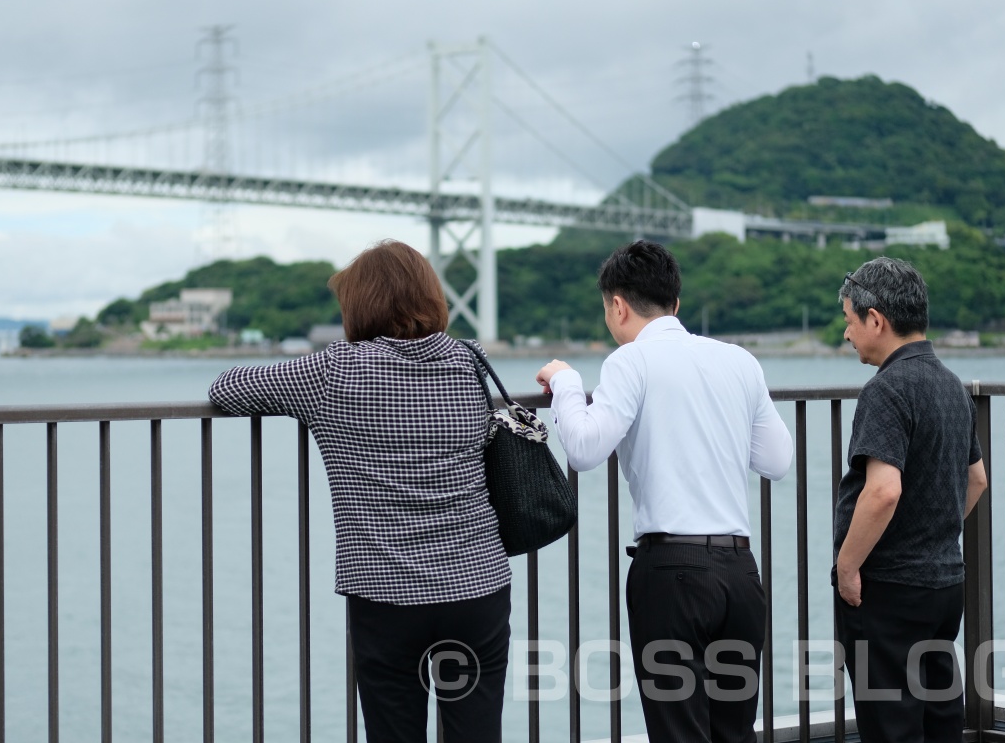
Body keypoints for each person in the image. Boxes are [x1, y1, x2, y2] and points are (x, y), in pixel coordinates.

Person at [207, 240, 511, 743]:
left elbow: (226, 387)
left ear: (359, 306)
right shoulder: (469, 362)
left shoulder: (331, 371)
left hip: (385, 593)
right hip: (475, 586)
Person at [535, 240, 793, 743]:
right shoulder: (738, 361)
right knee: (734, 733)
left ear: (617, 305)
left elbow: (585, 449)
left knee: (679, 732)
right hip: (740, 574)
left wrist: (566, 383)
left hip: (671, 574)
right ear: (676, 303)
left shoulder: (630, 362)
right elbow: (776, 460)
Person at [833, 257, 988, 742]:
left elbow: (883, 490)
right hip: (943, 585)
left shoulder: (887, 389)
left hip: (890, 590)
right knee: (940, 720)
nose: (847, 334)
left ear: (876, 319)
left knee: (891, 727)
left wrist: (848, 566)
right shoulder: (952, 387)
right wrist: (932, 532)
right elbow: (977, 480)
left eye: (849, 321)